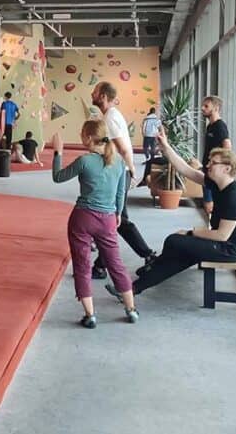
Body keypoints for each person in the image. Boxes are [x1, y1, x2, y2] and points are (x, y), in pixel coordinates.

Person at [107, 126, 236, 299]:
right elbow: (186, 170)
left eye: (212, 163)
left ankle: (148, 272)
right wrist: (165, 147)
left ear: (227, 169)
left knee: (175, 241)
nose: (207, 165)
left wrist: (190, 232)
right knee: (181, 253)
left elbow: (222, 235)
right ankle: (133, 289)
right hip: (222, 244)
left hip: (231, 249)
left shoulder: (234, 197)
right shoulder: (218, 185)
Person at [51, 123, 139, 327]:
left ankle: (90, 315)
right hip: (108, 218)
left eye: (82, 134)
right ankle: (131, 309)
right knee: (115, 264)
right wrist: (117, 213)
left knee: (82, 266)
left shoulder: (84, 161)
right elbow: (120, 193)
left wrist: (58, 152)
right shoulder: (118, 162)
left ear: (89, 138)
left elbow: (58, 177)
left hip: (82, 217)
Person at [90, 82, 157, 278]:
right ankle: (100, 266)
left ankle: (148, 255)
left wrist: (132, 171)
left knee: (119, 219)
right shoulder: (111, 115)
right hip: (120, 172)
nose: (92, 94)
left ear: (102, 96)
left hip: (120, 173)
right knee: (113, 219)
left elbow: (123, 148)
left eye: (94, 92)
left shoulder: (110, 118)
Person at [200, 95, 231, 216]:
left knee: (210, 204)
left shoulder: (220, 126)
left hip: (215, 172)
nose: (202, 108)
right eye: (203, 105)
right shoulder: (210, 126)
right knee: (207, 203)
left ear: (216, 108)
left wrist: (220, 166)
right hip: (207, 169)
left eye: (206, 106)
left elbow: (227, 146)